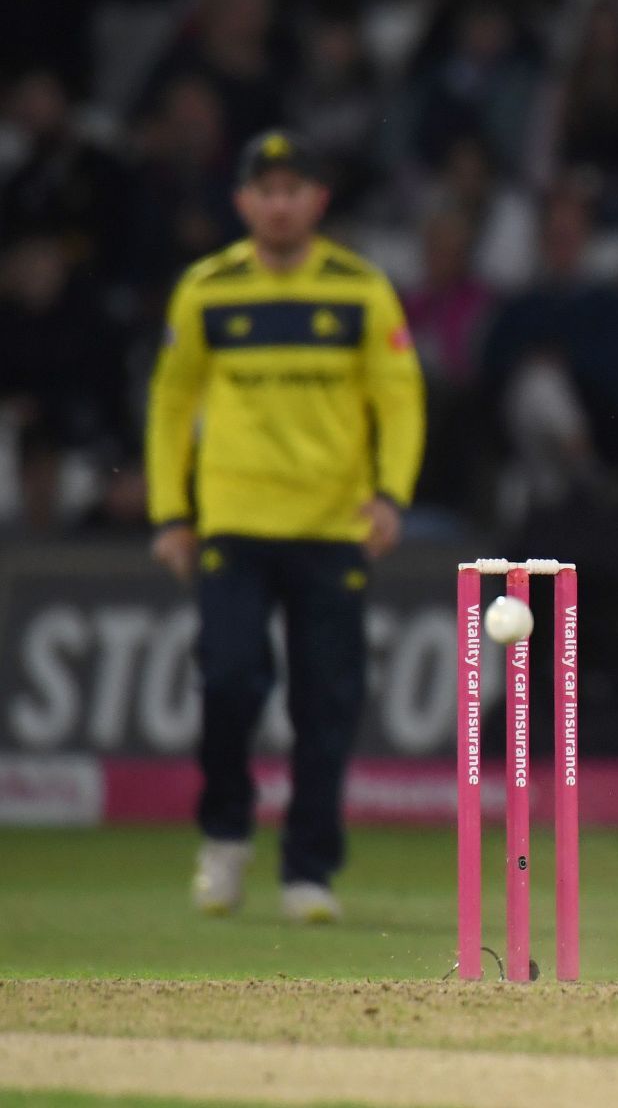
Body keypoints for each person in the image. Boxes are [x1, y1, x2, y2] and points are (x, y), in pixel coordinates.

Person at [146, 130, 424, 923]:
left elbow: (400, 400)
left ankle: (309, 871)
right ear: (242, 202)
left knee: (325, 704)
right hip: (232, 523)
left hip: (333, 526)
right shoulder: (206, 290)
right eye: (264, 190)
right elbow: (170, 406)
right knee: (229, 682)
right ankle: (226, 838)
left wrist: (391, 497)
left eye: (292, 189)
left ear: (317, 201)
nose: (278, 204)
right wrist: (173, 513)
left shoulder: (361, 290)